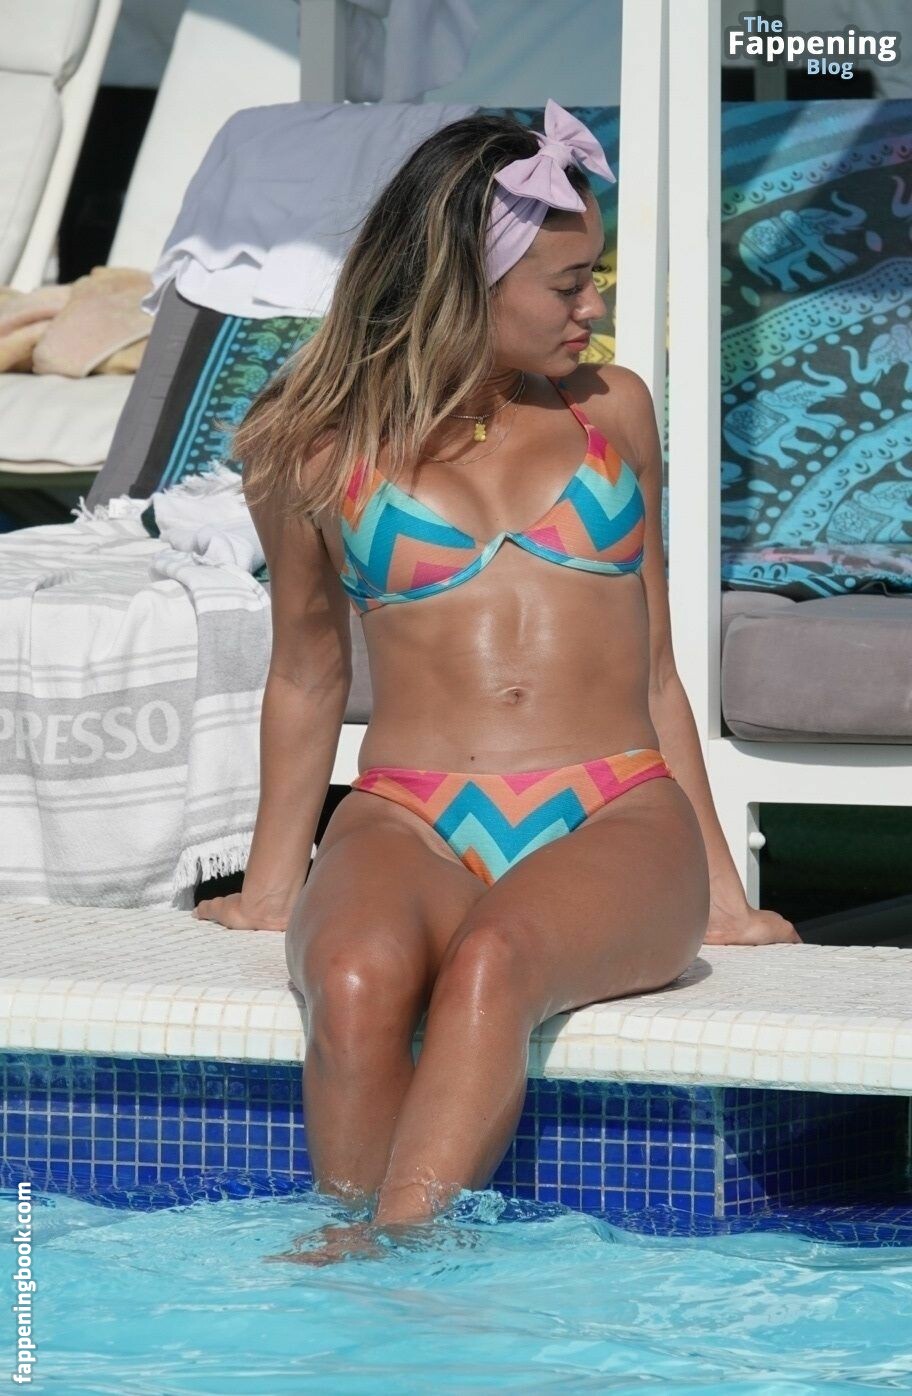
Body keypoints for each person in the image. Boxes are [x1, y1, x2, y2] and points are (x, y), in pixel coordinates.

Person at [193, 100, 801, 1258]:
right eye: (568, 284)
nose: (593, 309)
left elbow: (658, 670)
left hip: (614, 808)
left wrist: (723, 895)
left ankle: (391, 1250)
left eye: (594, 279)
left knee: (493, 965)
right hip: (408, 814)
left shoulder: (613, 411)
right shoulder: (310, 445)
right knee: (355, 978)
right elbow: (309, 673)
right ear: (466, 284)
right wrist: (274, 886)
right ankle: (358, 1256)